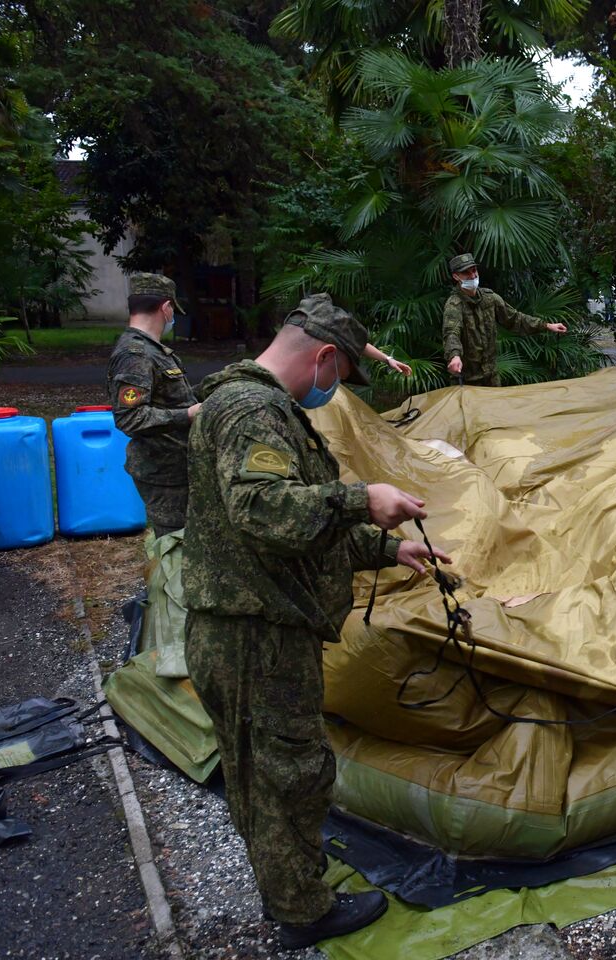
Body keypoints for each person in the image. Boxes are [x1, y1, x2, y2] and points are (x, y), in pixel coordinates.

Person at [183, 293, 449, 948]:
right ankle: (304, 913)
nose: (336, 390)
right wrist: (365, 499)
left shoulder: (251, 405)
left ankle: (288, 893)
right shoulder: (252, 410)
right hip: (257, 636)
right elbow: (265, 511)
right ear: (325, 358)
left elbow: (299, 532)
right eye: (341, 376)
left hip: (248, 625)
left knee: (266, 774)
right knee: (291, 774)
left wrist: (391, 548)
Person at [106, 272, 199, 538]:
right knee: (175, 547)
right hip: (164, 472)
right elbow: (130, 418)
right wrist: (188, 414)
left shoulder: (151, 350)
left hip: (175, 466)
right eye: (173, 310)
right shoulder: (135, 354)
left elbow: (167, 396)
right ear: (166, 307)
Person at [441, 252, 568, 386]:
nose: (473, 276)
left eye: (474, 270)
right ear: (456, 276)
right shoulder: (454, 305)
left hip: (491, 376)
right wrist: (454, 356)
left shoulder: (489, 298)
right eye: (466, 273)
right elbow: (451, 332)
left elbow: (515, 318)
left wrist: (546, 325)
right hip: (467, 380)